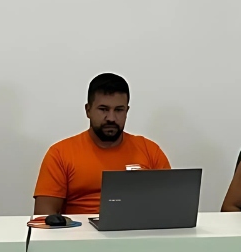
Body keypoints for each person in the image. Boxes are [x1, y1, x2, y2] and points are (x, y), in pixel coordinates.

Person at [33, 73, 171, 215]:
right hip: (80, 228)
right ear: (88, 110)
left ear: (127, 111)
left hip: (138, 226)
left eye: (119, 110)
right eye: (103, 109)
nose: (111, 118)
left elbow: (170, 204)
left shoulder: (150, 151)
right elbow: (44, 214)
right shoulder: (60, 153)